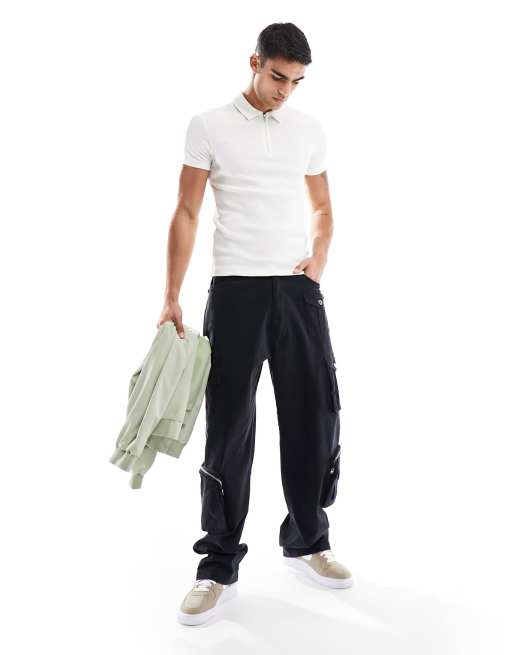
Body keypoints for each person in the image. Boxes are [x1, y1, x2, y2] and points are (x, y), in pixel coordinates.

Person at [156, 22, 353, 626]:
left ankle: (308, 541)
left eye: (296, 82)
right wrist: (171, 296)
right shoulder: (208, 125)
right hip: (235, 291)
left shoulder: (308, 130)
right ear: (255, 62)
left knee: (315, 418)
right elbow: (187, 211)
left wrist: (318, 260)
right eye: (277, 76)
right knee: (229, 430)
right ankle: (217, 567)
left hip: (297, 293)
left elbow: (322, 206)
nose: (284, 90)